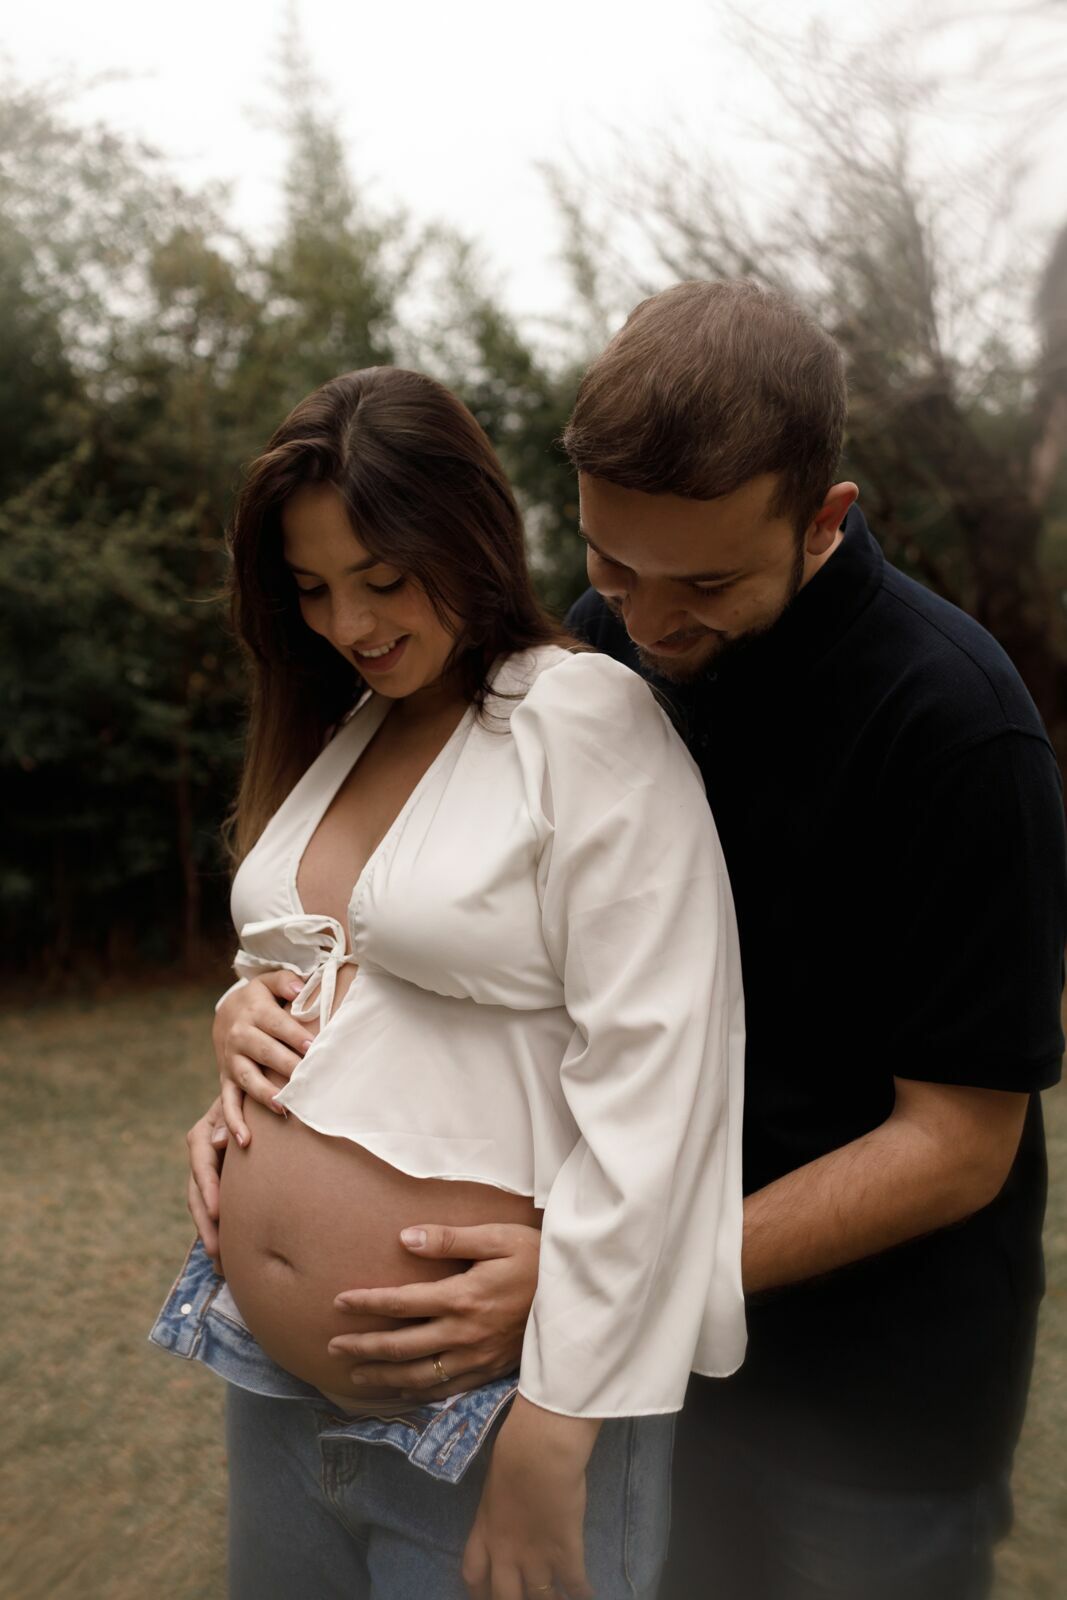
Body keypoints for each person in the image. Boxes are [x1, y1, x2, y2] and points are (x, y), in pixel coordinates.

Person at [192, 279, 1067, 1599]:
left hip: (860, 1390)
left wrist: (593, 1285)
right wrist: (255, 1024)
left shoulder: (950, 725)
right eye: (607, 565)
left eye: (703, 581)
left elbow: (951, 1145)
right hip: (614, 1333)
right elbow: (474, 958)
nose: (644, 624)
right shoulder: (598, 658)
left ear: (820, 521)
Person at [156, 364, 746, 1600]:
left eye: (382, 579)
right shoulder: (356, 724)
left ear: (469, 533)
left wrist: (554, 1427)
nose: (349, 624)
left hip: (496, 1405)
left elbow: (661, 1087)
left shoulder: (583, 721)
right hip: (273, 1391)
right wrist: (240, 1023)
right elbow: (334, 964)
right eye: (312, 589)